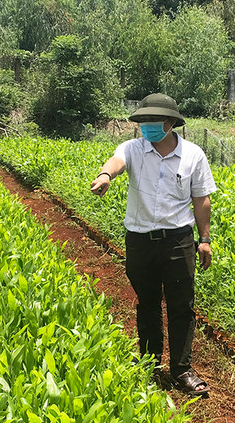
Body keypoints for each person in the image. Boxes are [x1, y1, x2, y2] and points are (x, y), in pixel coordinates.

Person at [90, 93, 215, 396]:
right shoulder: (133, 148)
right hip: (140, 240)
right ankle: (150, 363)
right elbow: (116, 161)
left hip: (178, 241)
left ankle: (182, 370)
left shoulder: (193, 155)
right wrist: (106, 175)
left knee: (181, 306)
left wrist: (205, 239)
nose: (146, 126)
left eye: (152, 121)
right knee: (147, 302)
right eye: (143, 121)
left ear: (170, 122)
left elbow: (202, 201)